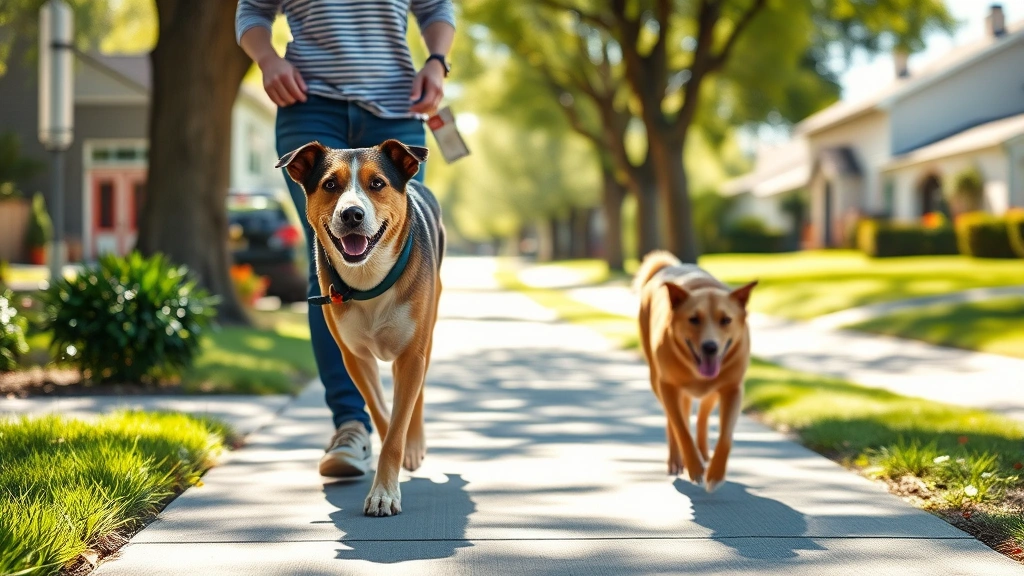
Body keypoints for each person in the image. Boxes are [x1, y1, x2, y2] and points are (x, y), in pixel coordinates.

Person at [235, 0, 455, 478]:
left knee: (404, 253)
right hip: (306, 102)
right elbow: (251, 9)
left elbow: (437, 6)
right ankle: (352, 425)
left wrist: (437, 62)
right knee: (330, 264)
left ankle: (407, 409)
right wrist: (268, 59)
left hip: (397, 103)